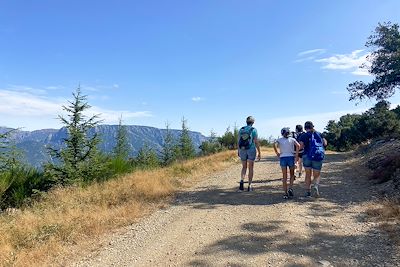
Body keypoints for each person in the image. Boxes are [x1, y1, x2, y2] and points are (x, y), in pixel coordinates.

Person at [298, 121, 327, 198]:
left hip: (307, 156)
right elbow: (325, 143)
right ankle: (315, 186)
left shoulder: (303, 135)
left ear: (305, 128)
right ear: (312, 126)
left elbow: (301, 146)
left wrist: (296, 152)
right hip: (318, 155)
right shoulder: (319, 133)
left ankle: (308, 192)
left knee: (308, 174)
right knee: (316, 174)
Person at [274, 127, 300, 199]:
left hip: (283, 158)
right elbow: (298, 145)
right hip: (291, 157)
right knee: (292, 174)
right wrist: (296, 155)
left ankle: (285, 193)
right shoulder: (292, 139)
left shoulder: (279, 140)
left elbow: (274, 144)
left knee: (284, 176)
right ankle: (290, 188)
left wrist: (277, 153)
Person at [238, 116, 261, 192]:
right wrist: (259, 152)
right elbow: (256, 142)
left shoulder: (241, 129)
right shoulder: (254, 130)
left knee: (244, 167)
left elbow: (238, 141)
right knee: (250, 168)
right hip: (251, 149)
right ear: (253, 122)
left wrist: (239, 151)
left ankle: (241, 183)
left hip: (242, 150)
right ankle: (249, 185)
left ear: (246, 122)